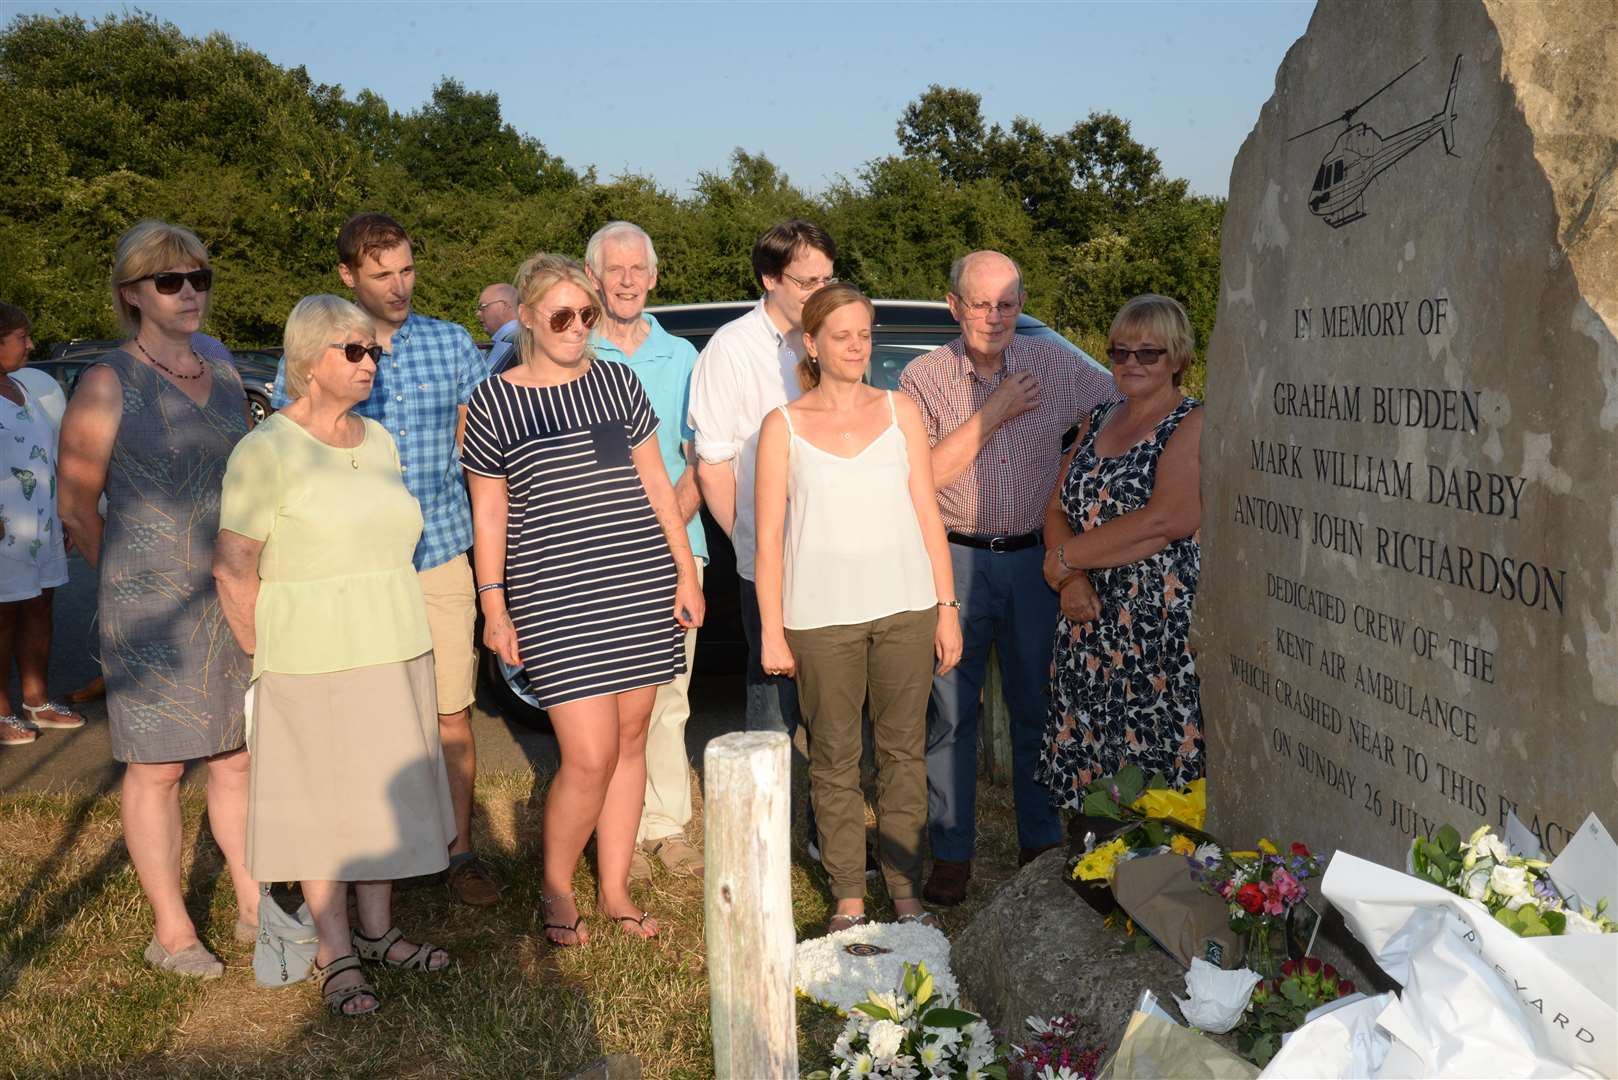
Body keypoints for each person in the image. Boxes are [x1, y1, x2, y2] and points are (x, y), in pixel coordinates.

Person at [215, 294, 457, 1017]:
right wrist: (267, 652)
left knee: (381, 798)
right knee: (323, 808)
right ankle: (336, 949)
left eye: (373, 351)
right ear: (307, 360)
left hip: (394, 640)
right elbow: (233, 567)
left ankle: (378, 933)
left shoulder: (379, 440)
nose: (369, 363)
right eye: (352, 350)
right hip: (307, 655)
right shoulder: (265, 450)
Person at [463, 254, 703, 946]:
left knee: (631, 743)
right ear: (529, 318)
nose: (577, 327)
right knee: (589, 754)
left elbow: (659, 484)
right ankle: (557, 887)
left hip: (638, 580)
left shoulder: (619, 383)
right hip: (554, 594)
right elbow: (489, 517)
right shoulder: (495, 401)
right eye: (562, 315)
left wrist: (685, 572)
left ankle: (618, 890)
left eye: (587, 315)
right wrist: (494, 605)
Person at [271, 213, 496, 907]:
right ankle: (360, 854)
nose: (398, 286)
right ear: (347, 275)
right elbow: (294, 444)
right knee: (361, 720)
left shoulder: (450, 342)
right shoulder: (317, 349)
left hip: (438, 556)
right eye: (380, 274)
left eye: (405, 269)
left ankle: (457, 853)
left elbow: (474, 448)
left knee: (451, 711)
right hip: (353, 572)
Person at [57, 220, 255, 977]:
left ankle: (248, 901)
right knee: (159, 768)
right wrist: (133, 578)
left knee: (234, 758)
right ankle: (171, 931)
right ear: (132, 293)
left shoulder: (224, 370)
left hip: (228, 594)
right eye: (170, 281)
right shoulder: (109, 380)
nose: (189, 293)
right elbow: (77, 505)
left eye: (198, 277)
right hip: (149, 611)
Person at [899, 250, 1117, 906]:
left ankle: (1041, 843)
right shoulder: (923, 376)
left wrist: (1075, 460)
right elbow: (923, 477)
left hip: (1032, 561)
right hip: (951, 559)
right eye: (978, 303)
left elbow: (1123, 404)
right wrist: (995, 411)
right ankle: (951, 854)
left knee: (1037, 707)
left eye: (1006, 304)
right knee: (951, 714)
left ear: (1021, 305)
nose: (993, 317)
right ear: (952, 304)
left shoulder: (1056, 363)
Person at [754, 285, 962, 933]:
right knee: (834, 758)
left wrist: (947, 607)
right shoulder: (781, 425)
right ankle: (848, 897)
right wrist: (770, 630)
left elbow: (929, 513)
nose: (855, 347)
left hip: (907, 608)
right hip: (817, 619)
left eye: (864, 334)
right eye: (840, 335)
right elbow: (766, 538)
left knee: (903, 755)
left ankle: (904, 893)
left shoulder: (902, 411)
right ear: (811, 343)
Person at [688, 219, 837, 846]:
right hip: (770, 555)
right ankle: (764, 838)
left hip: (832, 551)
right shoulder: (732, 348)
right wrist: (752, 542)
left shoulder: (826, 338)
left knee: (833, 700)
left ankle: (823, 832)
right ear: (769, 279)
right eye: (807, 282)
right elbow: (712, 460)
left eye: (829, 279)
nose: (821, 292)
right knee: (772, 696)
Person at [1038, 295, 1204, 804]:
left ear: (1177, 358)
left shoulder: (1194, 422)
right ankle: (1095, 861)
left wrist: (1066, 559)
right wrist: (1070, 580)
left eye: (1148, 353)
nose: (1131, 363)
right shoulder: (1099, 416)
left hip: (1155, 625)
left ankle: (1159, 873)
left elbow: (1166, 520)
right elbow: (1056, 510)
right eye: (1120, 352)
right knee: (1093, 753)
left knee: (1156, 765)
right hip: (1086, 619)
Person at [584, 221, 707, 880]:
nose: (627, 280)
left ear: (653, 277)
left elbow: (698, 460)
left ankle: (666, 825)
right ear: (594, 278)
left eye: (638, 269)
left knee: (668, 695)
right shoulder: (580, 354)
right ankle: (616, 833)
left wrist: (664, 538)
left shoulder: (683, 358)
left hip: (675, 549)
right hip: (599, 551)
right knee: (604, 700)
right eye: (615, 269)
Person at [0, 303, 84, 747]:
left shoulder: (22, 387)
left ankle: (36, 701)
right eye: (21, 336)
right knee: (3, 617)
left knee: (39, 607)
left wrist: (62, 510)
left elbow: (46, 455)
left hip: (40, 524)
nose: (30, 345)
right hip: (3, 529)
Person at [477, 282, 520, 375]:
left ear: (504, 306)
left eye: (482, 307)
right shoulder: (524, 339)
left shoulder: (513, 343)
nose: (478, 314)